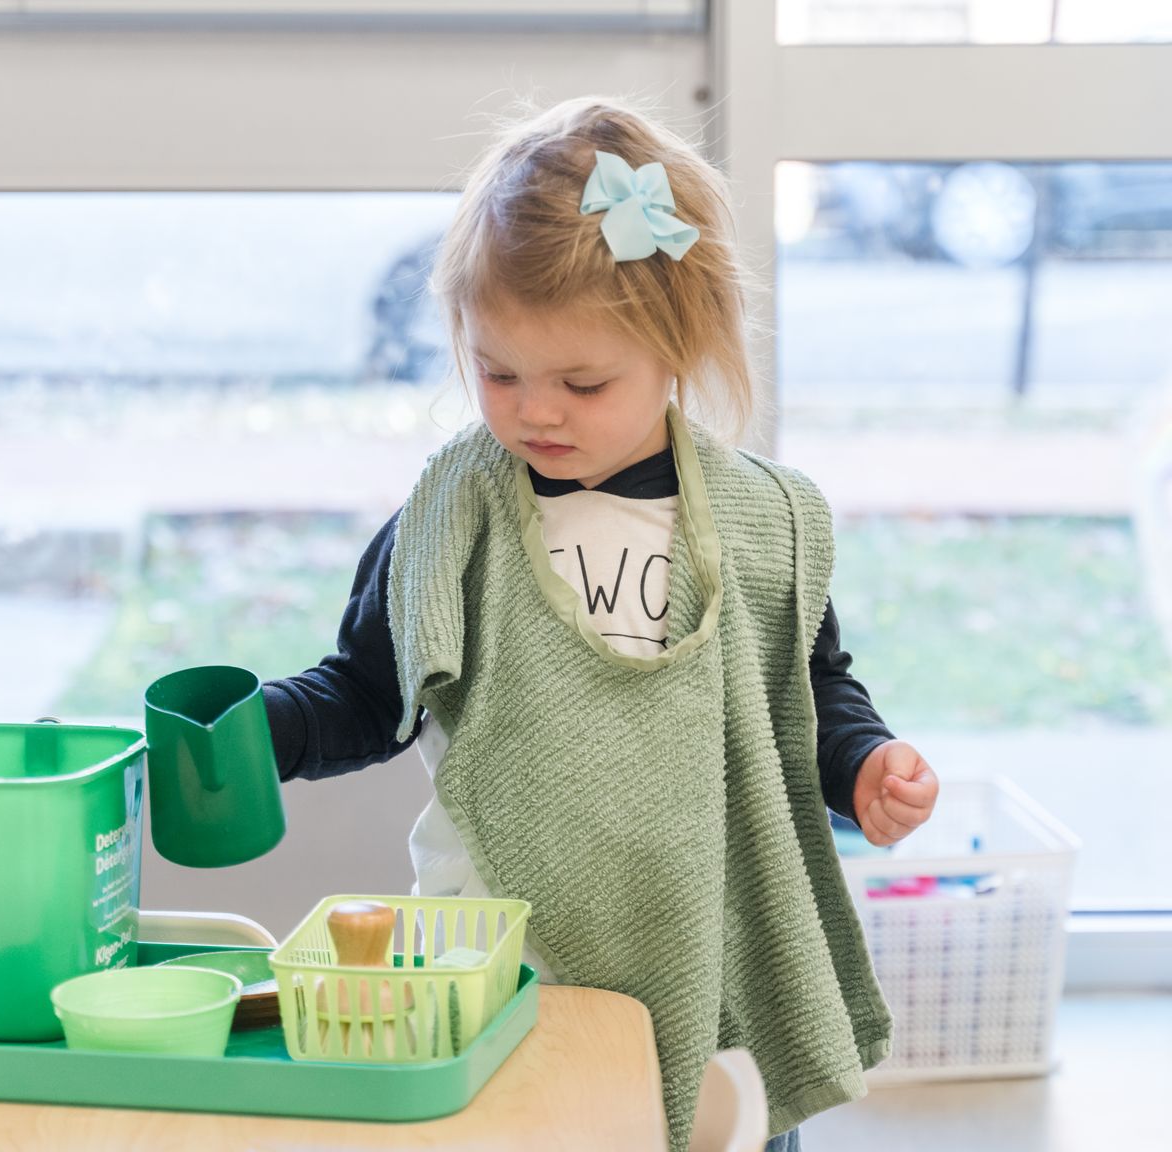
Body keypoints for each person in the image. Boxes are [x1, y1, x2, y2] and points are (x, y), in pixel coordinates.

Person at [262, 98, 939, 1152]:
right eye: (499, 373)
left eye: (583, 381)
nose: (537, 412)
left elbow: (805, 689)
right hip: (500, 948)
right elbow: (364, 690)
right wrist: (264, 728)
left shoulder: (757, 523)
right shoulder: (456, 516)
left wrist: (863, 765)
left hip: (706, 938)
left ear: (679, 347)